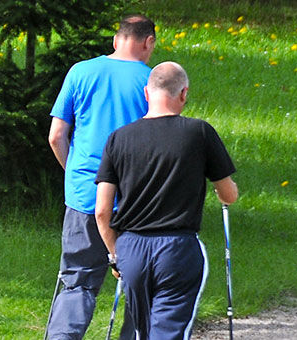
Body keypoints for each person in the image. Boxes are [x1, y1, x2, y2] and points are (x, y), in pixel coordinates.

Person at [94, 61, 239, 340]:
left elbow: (102, 211)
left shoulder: (118, 138)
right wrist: (223, 192)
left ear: (146, 93)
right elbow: (228, 194)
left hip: (131, 248)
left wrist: (116, 257)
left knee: (141, 332)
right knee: (170, 333)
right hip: (178, 248)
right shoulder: (199, 132)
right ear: (184, 93)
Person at [44, 14, 157, 340]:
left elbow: (56, 136)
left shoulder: (80, 72)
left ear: (115, 39)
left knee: (78, 281)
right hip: (131, 201)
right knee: (140, 284)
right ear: (148, 42)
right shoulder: (149, 83)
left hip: (83, 197)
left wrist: (75, 174)